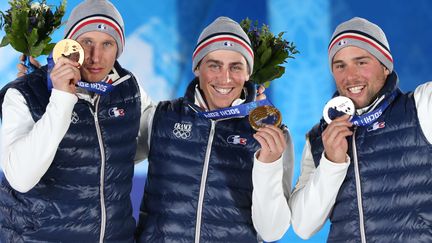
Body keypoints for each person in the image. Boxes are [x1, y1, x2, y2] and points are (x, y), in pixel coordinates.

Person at [0, 0, 152, 242]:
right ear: (69, 45)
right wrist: (60, 99)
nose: (95, 57)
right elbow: (20, 178)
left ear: (119, 49)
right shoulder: (24, 93)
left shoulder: (128, 89)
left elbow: (141, 146)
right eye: (87, 42)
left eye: (107, 44)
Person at [134, 16, 293, 243]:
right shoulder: (161, 117)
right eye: (214, 65)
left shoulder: (272, 135)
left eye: (235, 67)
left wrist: (268, 165)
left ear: (248, 73)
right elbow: (108, 159)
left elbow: (272, 232)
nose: (225, 78)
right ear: (197, 67)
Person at [290, 17, 432, 242]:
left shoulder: (421, 107)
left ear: (385, 66)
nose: (351, 76)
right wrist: (331, 163)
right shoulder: (319, 138)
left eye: (361, 62)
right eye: (340, 66)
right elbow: (303, 226)